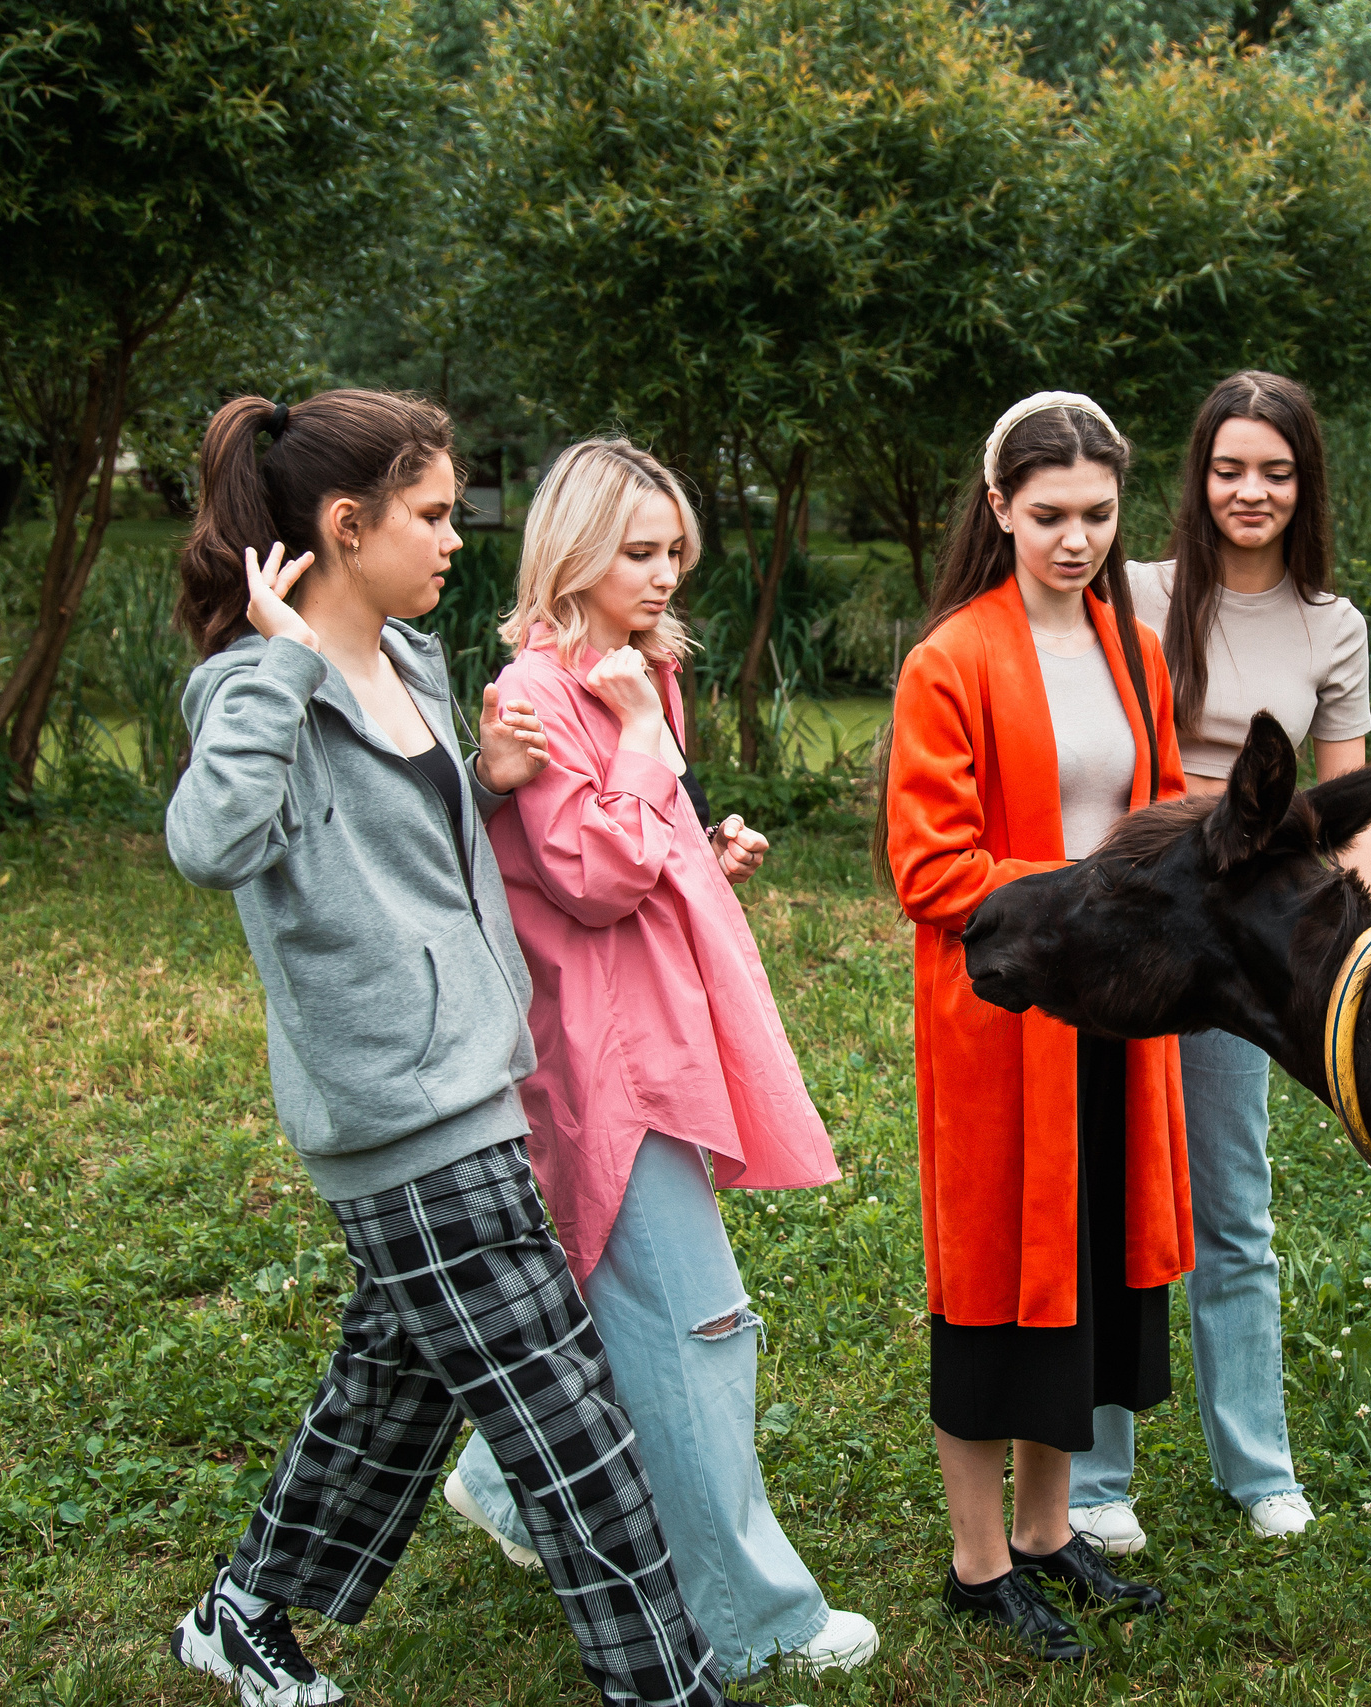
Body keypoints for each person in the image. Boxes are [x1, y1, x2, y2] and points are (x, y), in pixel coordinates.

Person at [162, 390, 752, 1707]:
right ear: (344, 523)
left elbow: (408, 849)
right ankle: (669, 1686)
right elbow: (213, 845)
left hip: (481, 1077)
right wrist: (277, 661)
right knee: (572, 1425)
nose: (451, 537)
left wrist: (482, 775)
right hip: (398, 1113)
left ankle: (244, 1607)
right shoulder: (256, 688)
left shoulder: (416, 660)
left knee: (402, 1376)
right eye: (430, 514)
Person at [429, 437, 879, 1682]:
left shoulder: (634, 674)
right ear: (573, 553)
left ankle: (508, 1490)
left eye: (675, 547)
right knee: (698, 1325)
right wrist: (637, 740)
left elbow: (635, 859)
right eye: (638, 549)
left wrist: (698, 851)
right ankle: (750, 1622)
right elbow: (588, 878)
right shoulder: (542, 690)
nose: (666, 571)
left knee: (606, 1301)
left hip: (653, 1029)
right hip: (600, 1056)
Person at [884, 392, 1195, 1661]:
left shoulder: (1133, 646)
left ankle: (1050, 1533)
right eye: (1050, 514)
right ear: (1001, 508)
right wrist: (1081, 904)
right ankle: (973, 1562)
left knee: (1082, 1284)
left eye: (1100, 515)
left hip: (1114, 1013)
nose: (1076, 538)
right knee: (995, 1289)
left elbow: (1162, 806)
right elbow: (928, 867)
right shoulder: (949, 659)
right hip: (1006, 1020)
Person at [1070, 370, 1371, 1554]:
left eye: (1276, 471)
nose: (1251, 491)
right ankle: (1097, 1480)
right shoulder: (1136, 594)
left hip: (1244, 960)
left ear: (1304, 486)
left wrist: (1339, 946)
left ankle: (1258, 1463)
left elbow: (1344, 812)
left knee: (1232, 1209)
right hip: (1136, 932)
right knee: (1113, 1197)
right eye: (1230, 468)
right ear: (1199, 479)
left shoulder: (1329, 625)